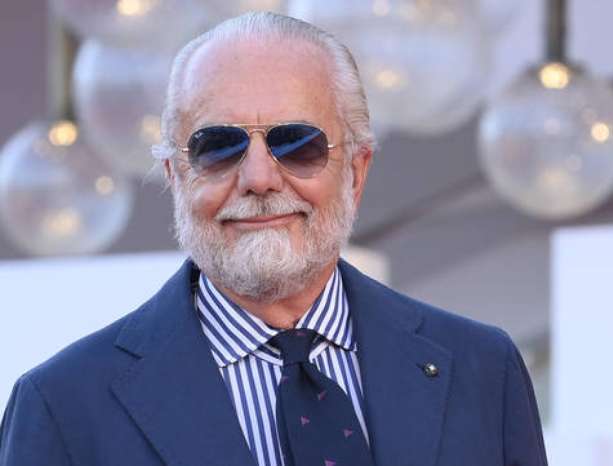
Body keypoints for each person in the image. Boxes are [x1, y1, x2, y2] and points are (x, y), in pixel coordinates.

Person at [0, 12, 547, 466]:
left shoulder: (481, 369)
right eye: (217, 147)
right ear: (175, 176)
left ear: (356, 171)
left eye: (298, 144)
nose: (259, 178)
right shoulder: (63, 408)